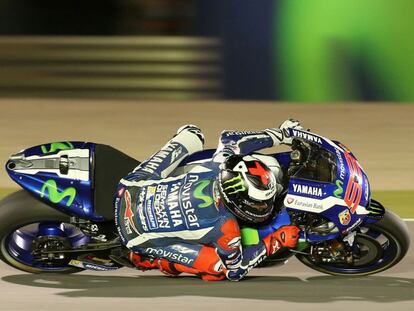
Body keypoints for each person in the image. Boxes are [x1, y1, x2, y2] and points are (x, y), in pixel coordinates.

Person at [114, 120, 302, 281]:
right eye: (258, 203)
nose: (264, 207)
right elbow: (235, 271)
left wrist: (281, 135)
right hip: (135, 235)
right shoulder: (227, 228)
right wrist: (276, 241)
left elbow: (230, 138)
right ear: (237, 201)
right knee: (217, 269)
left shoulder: (219, 165)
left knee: (192, 133)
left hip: (130, 188)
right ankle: (151, 261)